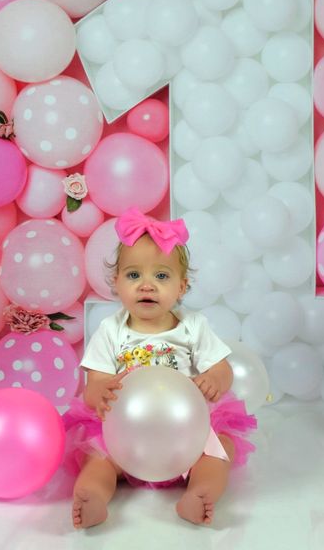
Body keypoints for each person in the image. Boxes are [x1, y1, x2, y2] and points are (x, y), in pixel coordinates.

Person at [64, 207, 257, 529]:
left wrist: (213, 379)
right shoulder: (111, 330)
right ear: (116, 282)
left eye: (162, 276)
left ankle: (200, 492)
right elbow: (94, 383)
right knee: (97, 456)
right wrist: (101, 391)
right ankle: (94, 493)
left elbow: (223, 370)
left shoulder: (193, 326)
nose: (147, 285)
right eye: (134, 275)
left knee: (221, 448)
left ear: (182, 287)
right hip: (124, 433)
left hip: (186, 432)